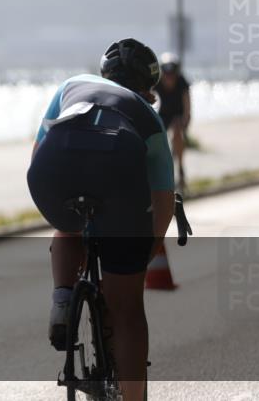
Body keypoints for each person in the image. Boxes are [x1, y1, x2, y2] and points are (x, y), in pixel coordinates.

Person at [27, 38, 175, 401]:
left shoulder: (71, 86)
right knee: (127, 310)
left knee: (67, 221)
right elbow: (163, 199)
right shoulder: (147, 115)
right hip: (117, 168)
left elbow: (37, 150)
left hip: (51, 169)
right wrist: (148, 246)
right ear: (148, 89)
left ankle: (63, 298)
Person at [154, 52, 191, 192]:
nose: (169, 78)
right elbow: (148, 99)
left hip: (178, 115)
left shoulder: (182, 81)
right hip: (163, 114)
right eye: (166, 74)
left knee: (177, 133)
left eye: (172, 74)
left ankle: (180, 168)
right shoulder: (156, 82)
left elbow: (187, 104)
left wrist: (185, 121)